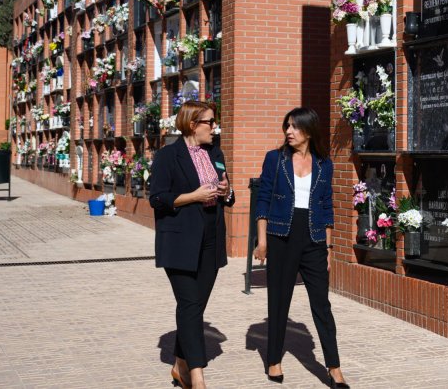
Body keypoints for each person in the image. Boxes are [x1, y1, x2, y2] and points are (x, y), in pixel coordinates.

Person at [253, 107, 349, 388]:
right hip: (281, 234)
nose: (288, 132)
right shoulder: (275, 159)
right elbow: (263, 201)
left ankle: (334, 367)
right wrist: (262, 240)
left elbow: (326, 206)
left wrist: (329, 248)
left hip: (314, 237)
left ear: (308, 130)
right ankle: (273, 360)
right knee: (279, 302)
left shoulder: (324, 164)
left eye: (294, 127)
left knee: (322, 304)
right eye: (287, 126)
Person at [147, 100, 234, 389]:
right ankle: (197, 377)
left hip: (211, 238)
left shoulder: (215, 152)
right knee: (189, 304)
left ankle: (180, 365)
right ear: (193, 124)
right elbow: (157, 198)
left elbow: (228, 192)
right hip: (180, 240)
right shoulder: (167, 156)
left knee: (194, 308)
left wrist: (226, 191)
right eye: (210, 122)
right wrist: (193, 196)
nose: (214, 127)